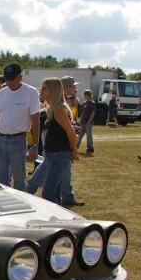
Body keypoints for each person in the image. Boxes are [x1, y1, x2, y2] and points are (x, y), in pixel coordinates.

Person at [0, 62, 40, 190]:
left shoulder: (31, 92)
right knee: (0, 180)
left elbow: (36, 121)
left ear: (20, 77)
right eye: (7, 78)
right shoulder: (1, 93)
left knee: (19, 180)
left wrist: (35, 145)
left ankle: (22, 206)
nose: (9, 82)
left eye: (12, 79)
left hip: (18, 140)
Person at [39, 78, 79, 204]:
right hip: (53, 156)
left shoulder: (58, 109)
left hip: (59, 156)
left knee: (48, 194)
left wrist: (74, 150)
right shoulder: (52, 108)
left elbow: (71, 133)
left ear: (53, 90)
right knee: (54, 194)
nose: (41, 90)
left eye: (44, 88)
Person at [59, 76, 85, 206]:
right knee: (47, 169)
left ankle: (67, 196)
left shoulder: (63, 100)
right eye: (73, 86)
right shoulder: (61, 102)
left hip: (59, 142)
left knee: (61, 170)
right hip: (60, 143)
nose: (75, 89)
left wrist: (71, 126)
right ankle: (66, 196)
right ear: (66, 87)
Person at [77, 89, 95, 154]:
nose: (84, 96)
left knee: (89, 136)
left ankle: (90, 148)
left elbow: (93, 113)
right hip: (82, 122)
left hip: (88, 123)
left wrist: (89, 121)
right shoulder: (84, 103)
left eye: (85, 95)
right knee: (79, 135)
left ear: (88, 95)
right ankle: (76, 147)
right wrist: (80, 120)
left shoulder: (92, 103)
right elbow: (82, 113)